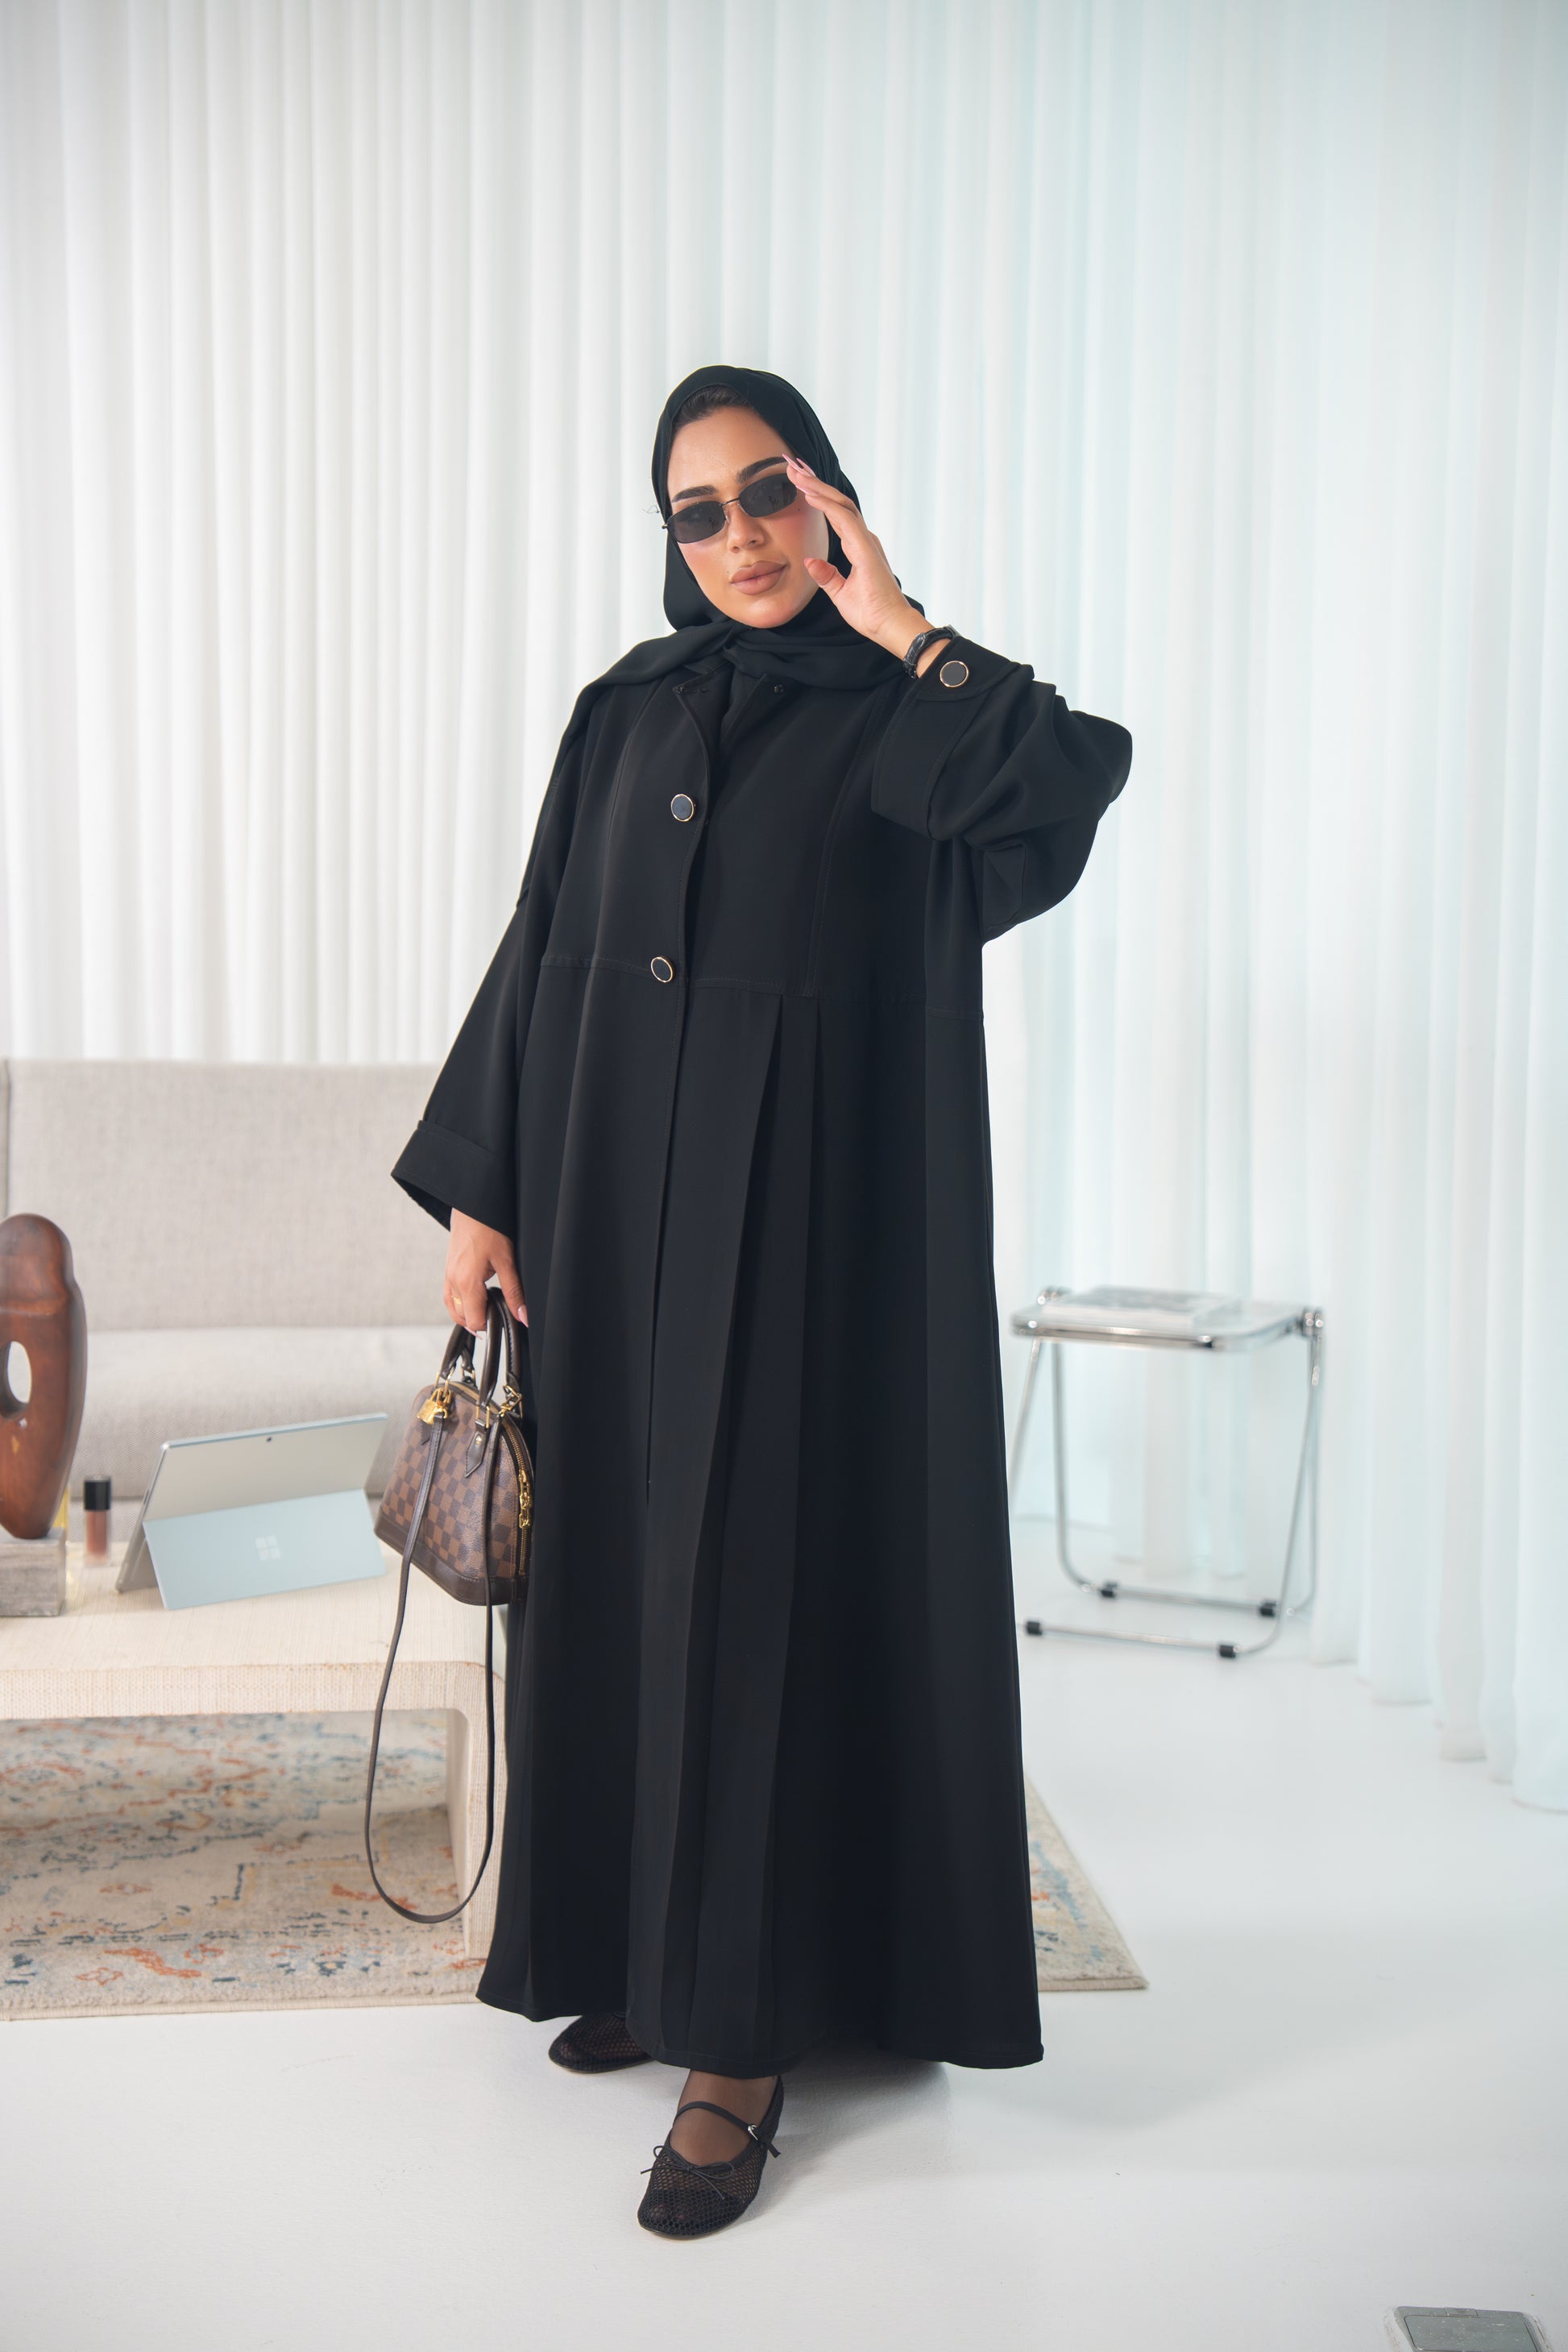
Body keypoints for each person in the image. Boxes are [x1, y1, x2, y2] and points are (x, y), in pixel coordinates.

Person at [391, 362, 1132, 2239]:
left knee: (753, 1603)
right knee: (628, 1591)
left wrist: (901, 625)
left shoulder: (912, 718)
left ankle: (742, 2038)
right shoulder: (622, 710)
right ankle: (648, 1956)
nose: (738, 535)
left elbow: (1066, 784)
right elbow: (541, 947)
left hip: (814, 1250)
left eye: (771, 490)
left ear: (831, 497)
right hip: (606, 1224)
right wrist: (483, 1188)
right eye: (699, 509)